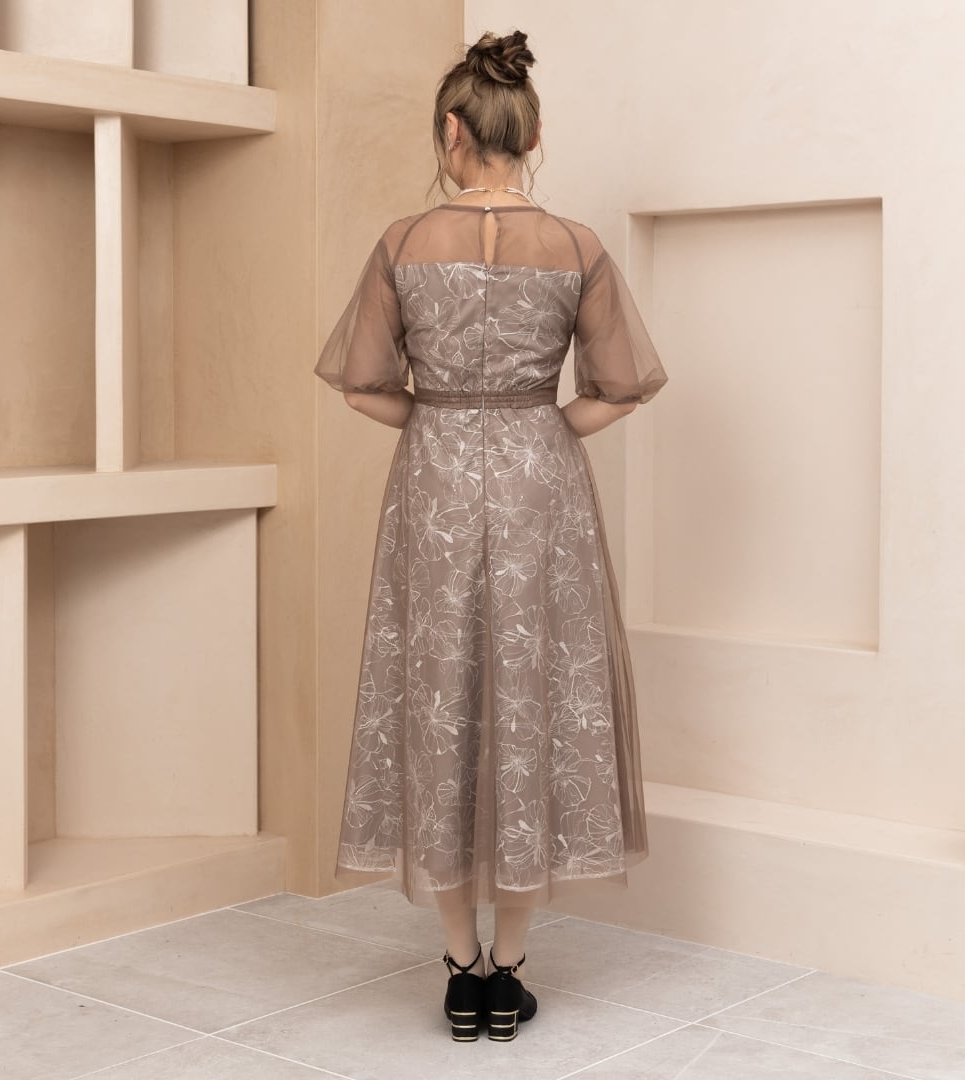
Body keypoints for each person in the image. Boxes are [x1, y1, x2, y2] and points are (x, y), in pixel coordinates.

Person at [314, 28, 668, 1042]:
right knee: (528, 702)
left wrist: (442, 420)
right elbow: (620, 387)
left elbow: (363, 387)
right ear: (534, 135)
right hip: (539, 488)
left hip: (431, 483)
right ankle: (509, 975)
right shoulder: (578, 247)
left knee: (437, 699)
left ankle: (459, 969)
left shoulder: (401, 243)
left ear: (450, 132)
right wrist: (537, 428)